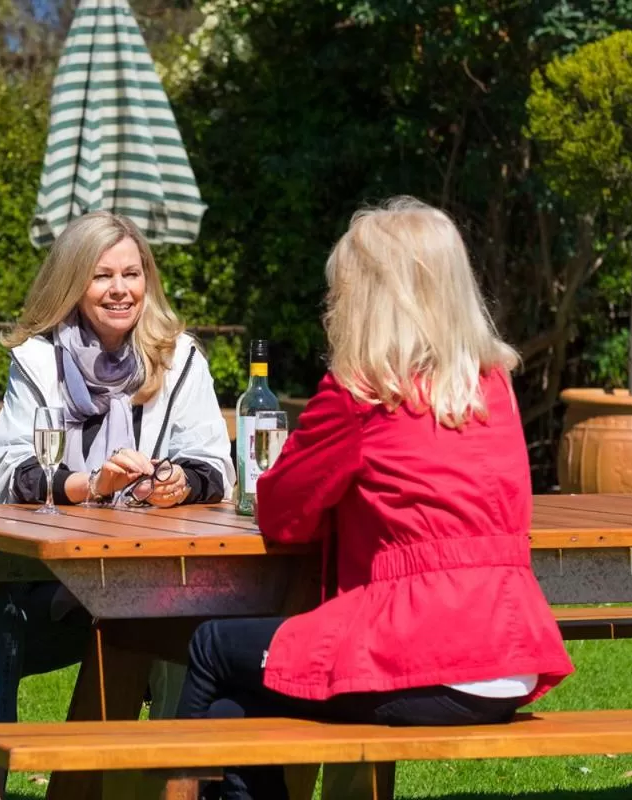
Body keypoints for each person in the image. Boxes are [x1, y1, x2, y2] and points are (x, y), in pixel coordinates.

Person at [174, 197, 575, 800]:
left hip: (425, 651)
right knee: (239, 697)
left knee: (212, 647)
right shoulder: (490, 385)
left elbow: (282, 512)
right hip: (509, 656)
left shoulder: (360, 391)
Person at [0, 210, 234, 800]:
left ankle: (172, 782)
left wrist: (178, 483)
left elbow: (213, 464)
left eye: (132, 273)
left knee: (192, 613)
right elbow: (9, 467)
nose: (121, 290)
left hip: (139, 575)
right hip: (45, 580)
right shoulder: (38, 359)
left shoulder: (180, 358)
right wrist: (87, 485)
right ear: (73, 284)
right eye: (102, 276)